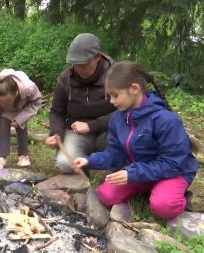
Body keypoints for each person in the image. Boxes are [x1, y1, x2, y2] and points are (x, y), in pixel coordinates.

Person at [72, 61, 199, 220]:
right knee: (106, 195)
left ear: (134, 89)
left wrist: (132, 173)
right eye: (109, 96)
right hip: (141, 171)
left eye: (115, 95)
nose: (111, 101)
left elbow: (173, 164)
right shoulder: (118, 118)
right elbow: (114, 153)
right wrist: (88, 161)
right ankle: (151, 189)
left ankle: (176, 196)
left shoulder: (166, 120)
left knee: (164, 206)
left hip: (172, 172)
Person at [45, 33, 116, 174]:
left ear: (97, 57)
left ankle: (113, 169)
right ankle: (84, 167)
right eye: (76, 65)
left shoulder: (115, 75)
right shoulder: (66, 78)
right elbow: (56, 112)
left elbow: (125, 112)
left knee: (122, 140)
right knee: (65, 163)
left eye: (84, 64)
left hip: (109, 131)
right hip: (77, 133)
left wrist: (91, 126)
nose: (79, 69)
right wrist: (56, 133)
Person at [0, 69, 42, 171]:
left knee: (21, 124)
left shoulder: (29, 88)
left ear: (16, 93)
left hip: (23, 104)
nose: (3, 105)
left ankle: (23, 155)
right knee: (3, 123)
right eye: (1, 103)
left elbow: (36, 101)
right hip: (8, 107)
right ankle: (1, 157)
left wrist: (22, 118)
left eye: (6, 102)